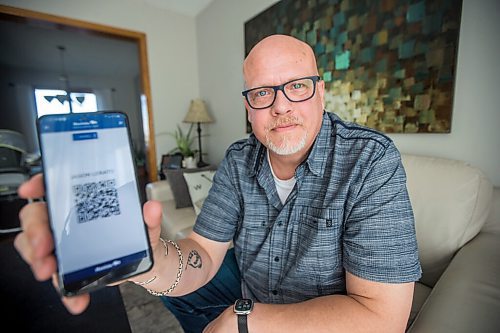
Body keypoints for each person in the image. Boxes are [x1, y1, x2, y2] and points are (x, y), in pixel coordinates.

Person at [15, 34, 421, 333]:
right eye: (263, 92)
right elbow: (204, 255)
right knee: (179, 291)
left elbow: (382, 319)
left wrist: (245, 321)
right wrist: (143, 256)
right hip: (251, 286)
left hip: (315, 320)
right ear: (248, 107)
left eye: (297, 86)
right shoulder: (239, 159)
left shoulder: (371, 160)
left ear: (320, 93)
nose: (280, 105)